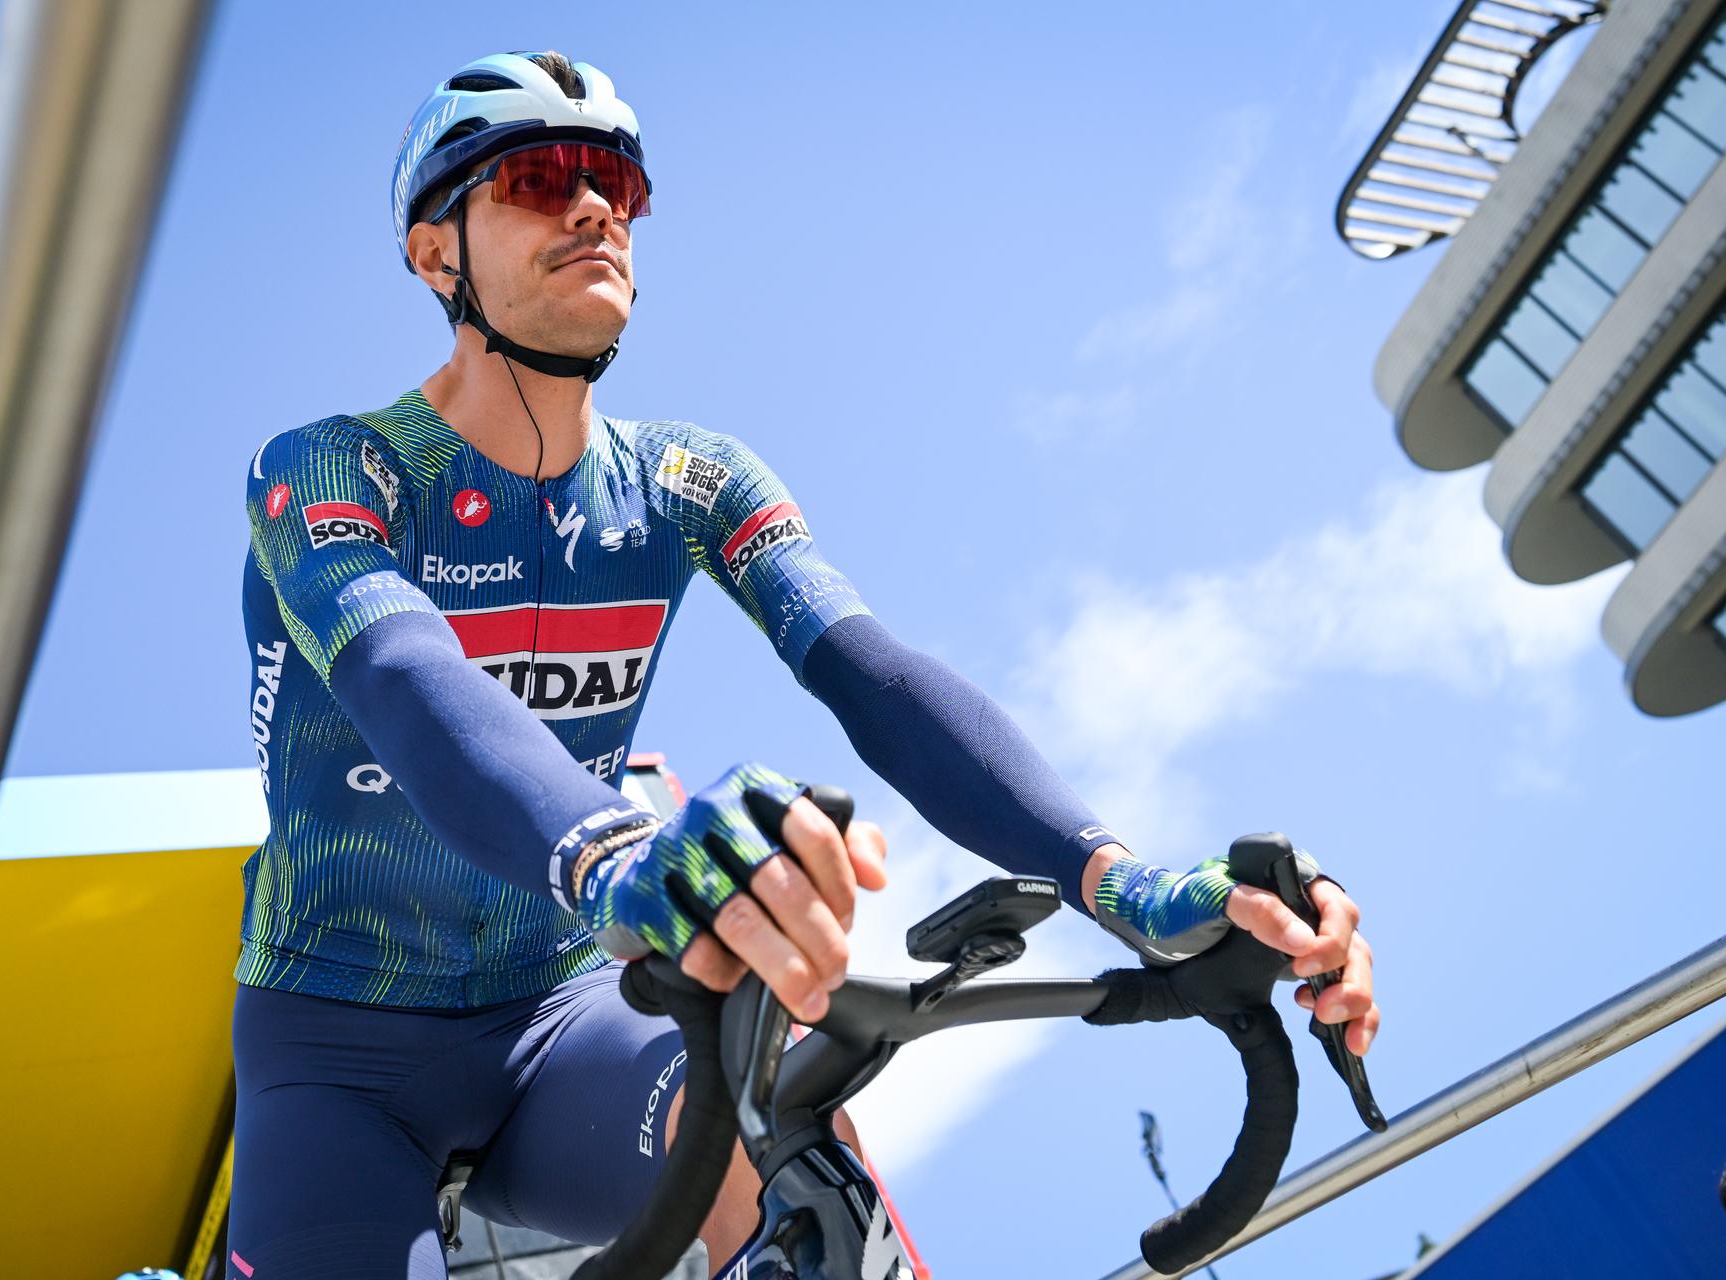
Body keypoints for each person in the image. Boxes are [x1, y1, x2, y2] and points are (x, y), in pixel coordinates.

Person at [231, 50, 1380, 1279]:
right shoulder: (333, 469)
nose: (593, 205)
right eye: (537, 174)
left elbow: (873, 675)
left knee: (803, 1170)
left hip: (564, 1013)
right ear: (434, 253)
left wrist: (1128, 887)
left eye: (617, 179)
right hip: (335, 1044)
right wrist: (622, 853)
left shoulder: (688, 479)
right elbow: (411, 685)